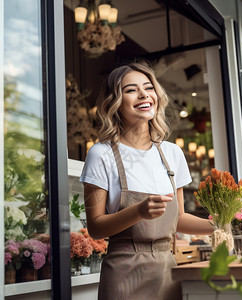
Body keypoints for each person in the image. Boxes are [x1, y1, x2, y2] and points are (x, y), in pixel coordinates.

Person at [79, 62, 213, 300]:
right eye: (131, 90)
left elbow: (179, 218)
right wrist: (138, 211)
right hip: (123, 272)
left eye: (149, 87)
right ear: (115, 102)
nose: (143, 94)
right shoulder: (101, 154)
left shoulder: (172, 153)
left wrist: (224, 224)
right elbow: (96, 227)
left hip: (168, 271)